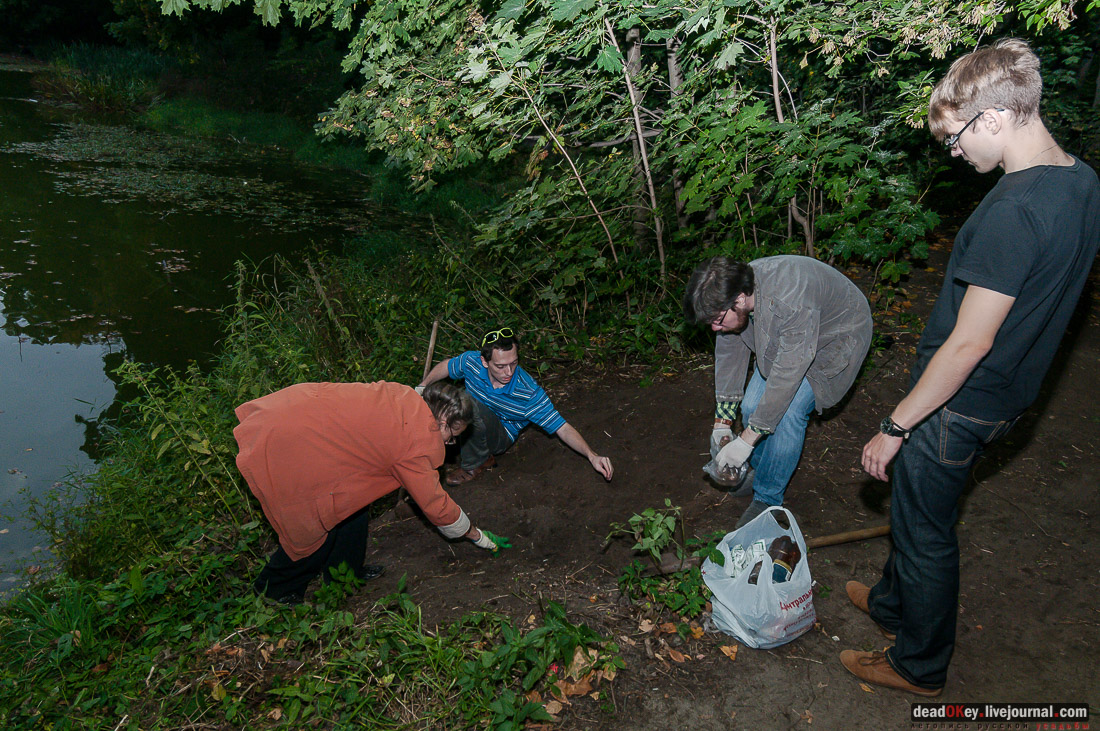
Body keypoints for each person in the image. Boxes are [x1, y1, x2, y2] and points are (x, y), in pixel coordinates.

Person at [844, 38, 1100, 696]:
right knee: (916, 510)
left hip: (960, 403)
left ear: (992, 118)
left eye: (956, 138)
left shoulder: (1015, 211)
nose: (954, 153)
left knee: (925, 532)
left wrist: (895, 425)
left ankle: (917, 664)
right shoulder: (1079, 179)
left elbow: (969, 344)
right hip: (1010, 393)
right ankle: (891, 604)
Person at [234, 380, 503, 605]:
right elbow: (436, 505)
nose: (451, 443)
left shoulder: (406, 397)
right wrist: (475, 535)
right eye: (453, 436)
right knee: (313, 527)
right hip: (295, 442)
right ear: (443, 421)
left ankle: (345, 574)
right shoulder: (417, 440)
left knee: (352, 504)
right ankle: (272, 591)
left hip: (302, 413)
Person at [683, 255, 872, 528]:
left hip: (837, 335)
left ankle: (767, 499)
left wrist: (745, 441)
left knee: (788, 412)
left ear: (739, 299)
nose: (714, 327)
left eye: (717, 320)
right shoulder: (734, 293)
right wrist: (722, 423)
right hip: (791, 337)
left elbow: (787, 376)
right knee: (752, 407)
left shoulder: (789, 299)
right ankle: (763, 469)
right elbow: (729, 351)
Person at [417, 327, 613, 485]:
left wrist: (592, 455)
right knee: (448, 399)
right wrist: (422, 387)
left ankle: (475, 464)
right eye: (500, 366)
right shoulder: (472, 362)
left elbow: (562, 428)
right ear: (484, 361)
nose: (509, 372)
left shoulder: (528, 393)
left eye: (514, 363)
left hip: (500, 435)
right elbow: (447, 366)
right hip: (471, 422)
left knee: (466, 403)